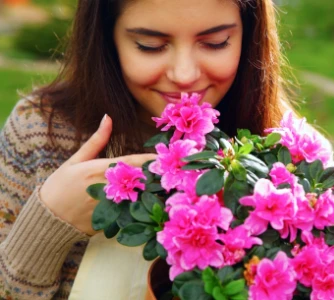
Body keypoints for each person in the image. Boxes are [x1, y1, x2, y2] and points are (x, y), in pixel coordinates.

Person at [0, 0, 290, 299]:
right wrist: (49, 219)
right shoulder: (38, 133)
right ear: (107, 40)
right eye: (150, 45)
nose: (185, 75)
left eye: (215, 43)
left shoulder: (284, 149)